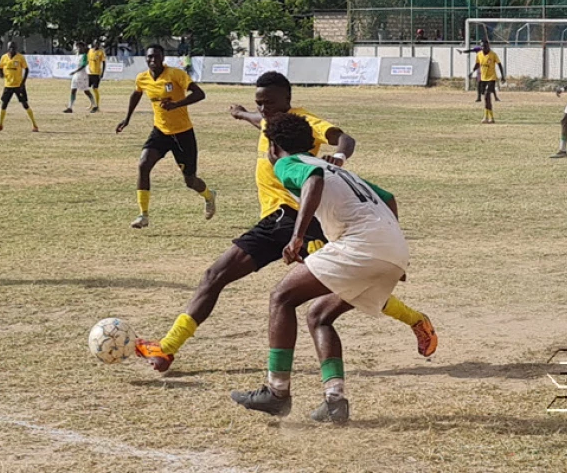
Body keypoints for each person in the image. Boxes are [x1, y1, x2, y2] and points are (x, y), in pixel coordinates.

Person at [134, 71, 436, 373]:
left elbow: (344, 137)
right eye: (259, 103)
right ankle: (168, 348)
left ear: (287, 101)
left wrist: (340, 155)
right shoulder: (269, 121)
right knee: (215, 275)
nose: (264, 109)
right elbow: (260, 121)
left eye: (269, 103)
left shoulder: (303, 122)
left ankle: (415, 320)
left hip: (302, 220)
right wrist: (241, 114)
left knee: (351, 289)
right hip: (272, 221)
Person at [230, 113, 420, 423]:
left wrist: (296, 238)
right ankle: (335, 401)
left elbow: (312, 182)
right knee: (320, 316)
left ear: (273, 146)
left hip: (362, 247)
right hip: (392, 251)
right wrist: (393, 252)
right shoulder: (333, 167)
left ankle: (276, 392)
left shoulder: (286, 164)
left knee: (281, 297)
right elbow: (389, 198)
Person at [116, 44, 216, 229]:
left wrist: (177, 104)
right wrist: (127, 118)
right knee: (143, 164)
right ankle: (143, 214)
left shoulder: (175, 74)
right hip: (160, 131)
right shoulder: (143, 78)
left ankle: (209, 196)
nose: (152, 60)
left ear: (163, 57)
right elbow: (136, 94)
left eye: (156, 56)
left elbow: (200, 94)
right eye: (149, 57)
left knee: (190, 181)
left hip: (183, 133)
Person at [0, 43, 39, 132]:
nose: (12, 50)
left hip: (19, 85)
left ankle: (35, 125)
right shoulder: (4, 57)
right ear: (8, 48)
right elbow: (0, 67)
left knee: (25, 104)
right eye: (10, 48)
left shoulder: (20, 57)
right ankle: (0, 125)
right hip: (8, 85)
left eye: (14, 48)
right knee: (3, 105)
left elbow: (26, 69)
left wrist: (23, 82)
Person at [470, 39, 505, 123]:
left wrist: (503, 76)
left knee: (486, 96)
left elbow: (499, 64)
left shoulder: (493, 54)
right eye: (481, 46)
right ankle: (490, 118)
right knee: (486, 99)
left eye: (484, 46)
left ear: (488, 46)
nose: (483, 47)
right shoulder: (479, 54)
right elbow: (477, 64)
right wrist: (472, 72)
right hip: (483, 79)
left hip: (491, 78)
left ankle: (486, 117)